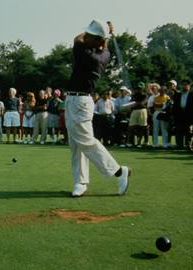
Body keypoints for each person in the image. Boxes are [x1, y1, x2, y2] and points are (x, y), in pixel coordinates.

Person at [66, 20, 129, 197]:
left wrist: (103, 32)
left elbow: (77, 38)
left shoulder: (87, 54)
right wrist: (106, 33)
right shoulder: (105, 53)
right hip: (75, 100)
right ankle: (81, 181)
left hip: (79, 102)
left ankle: (118, 171)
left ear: (98, 41)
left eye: (91, 36)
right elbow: (101, 44)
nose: (86, 37)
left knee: (85, 141)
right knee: (76, 145)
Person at [172, 80, 193, 150]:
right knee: (179, 130)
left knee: (188, 131)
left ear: (189, 86)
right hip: (179, 115)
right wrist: (173, 115)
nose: (184, 86)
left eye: (186, 85)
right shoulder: (177, 95)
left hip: (189, 115)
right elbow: (174, 106)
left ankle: (188, 145)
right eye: (183, 85)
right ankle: (179, 145)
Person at [127, 82, 148, 148]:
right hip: (134, 111)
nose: (138, 89)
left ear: (142, 88)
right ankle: (129, 142)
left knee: (142, 127)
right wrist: (134, 104)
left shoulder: (145, 95)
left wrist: (135, 104)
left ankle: (139, 143)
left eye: (140, 88)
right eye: (137, 88)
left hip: (142, 111)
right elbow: (131, 103)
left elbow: (142, 103)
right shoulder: (134, 95)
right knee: (131, 126)